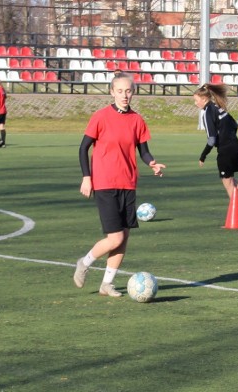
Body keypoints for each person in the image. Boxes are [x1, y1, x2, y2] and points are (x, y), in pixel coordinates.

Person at [73, 73, 166, 297]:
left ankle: (107, 284)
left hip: (128, 182)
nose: (125, 95)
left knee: (124, 237)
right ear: (112, 92)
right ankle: (84, 263)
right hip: (105, 182)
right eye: (121, 91)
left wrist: (151, 162)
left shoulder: (137, 120)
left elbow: (143, 150)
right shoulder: (100, 117)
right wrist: (87, 177)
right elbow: (83, 148)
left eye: (129, 91)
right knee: (115, 238)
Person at [194, 83, 238, 221]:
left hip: (226, 151)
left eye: (196, 100)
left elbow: (211, 140)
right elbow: (235, 125)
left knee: (227, 183)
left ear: (204, 99)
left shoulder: (207, 112)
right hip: (236, 146)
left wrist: (203, 155)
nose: (195, 103)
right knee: (230, 179)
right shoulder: (219, 108)